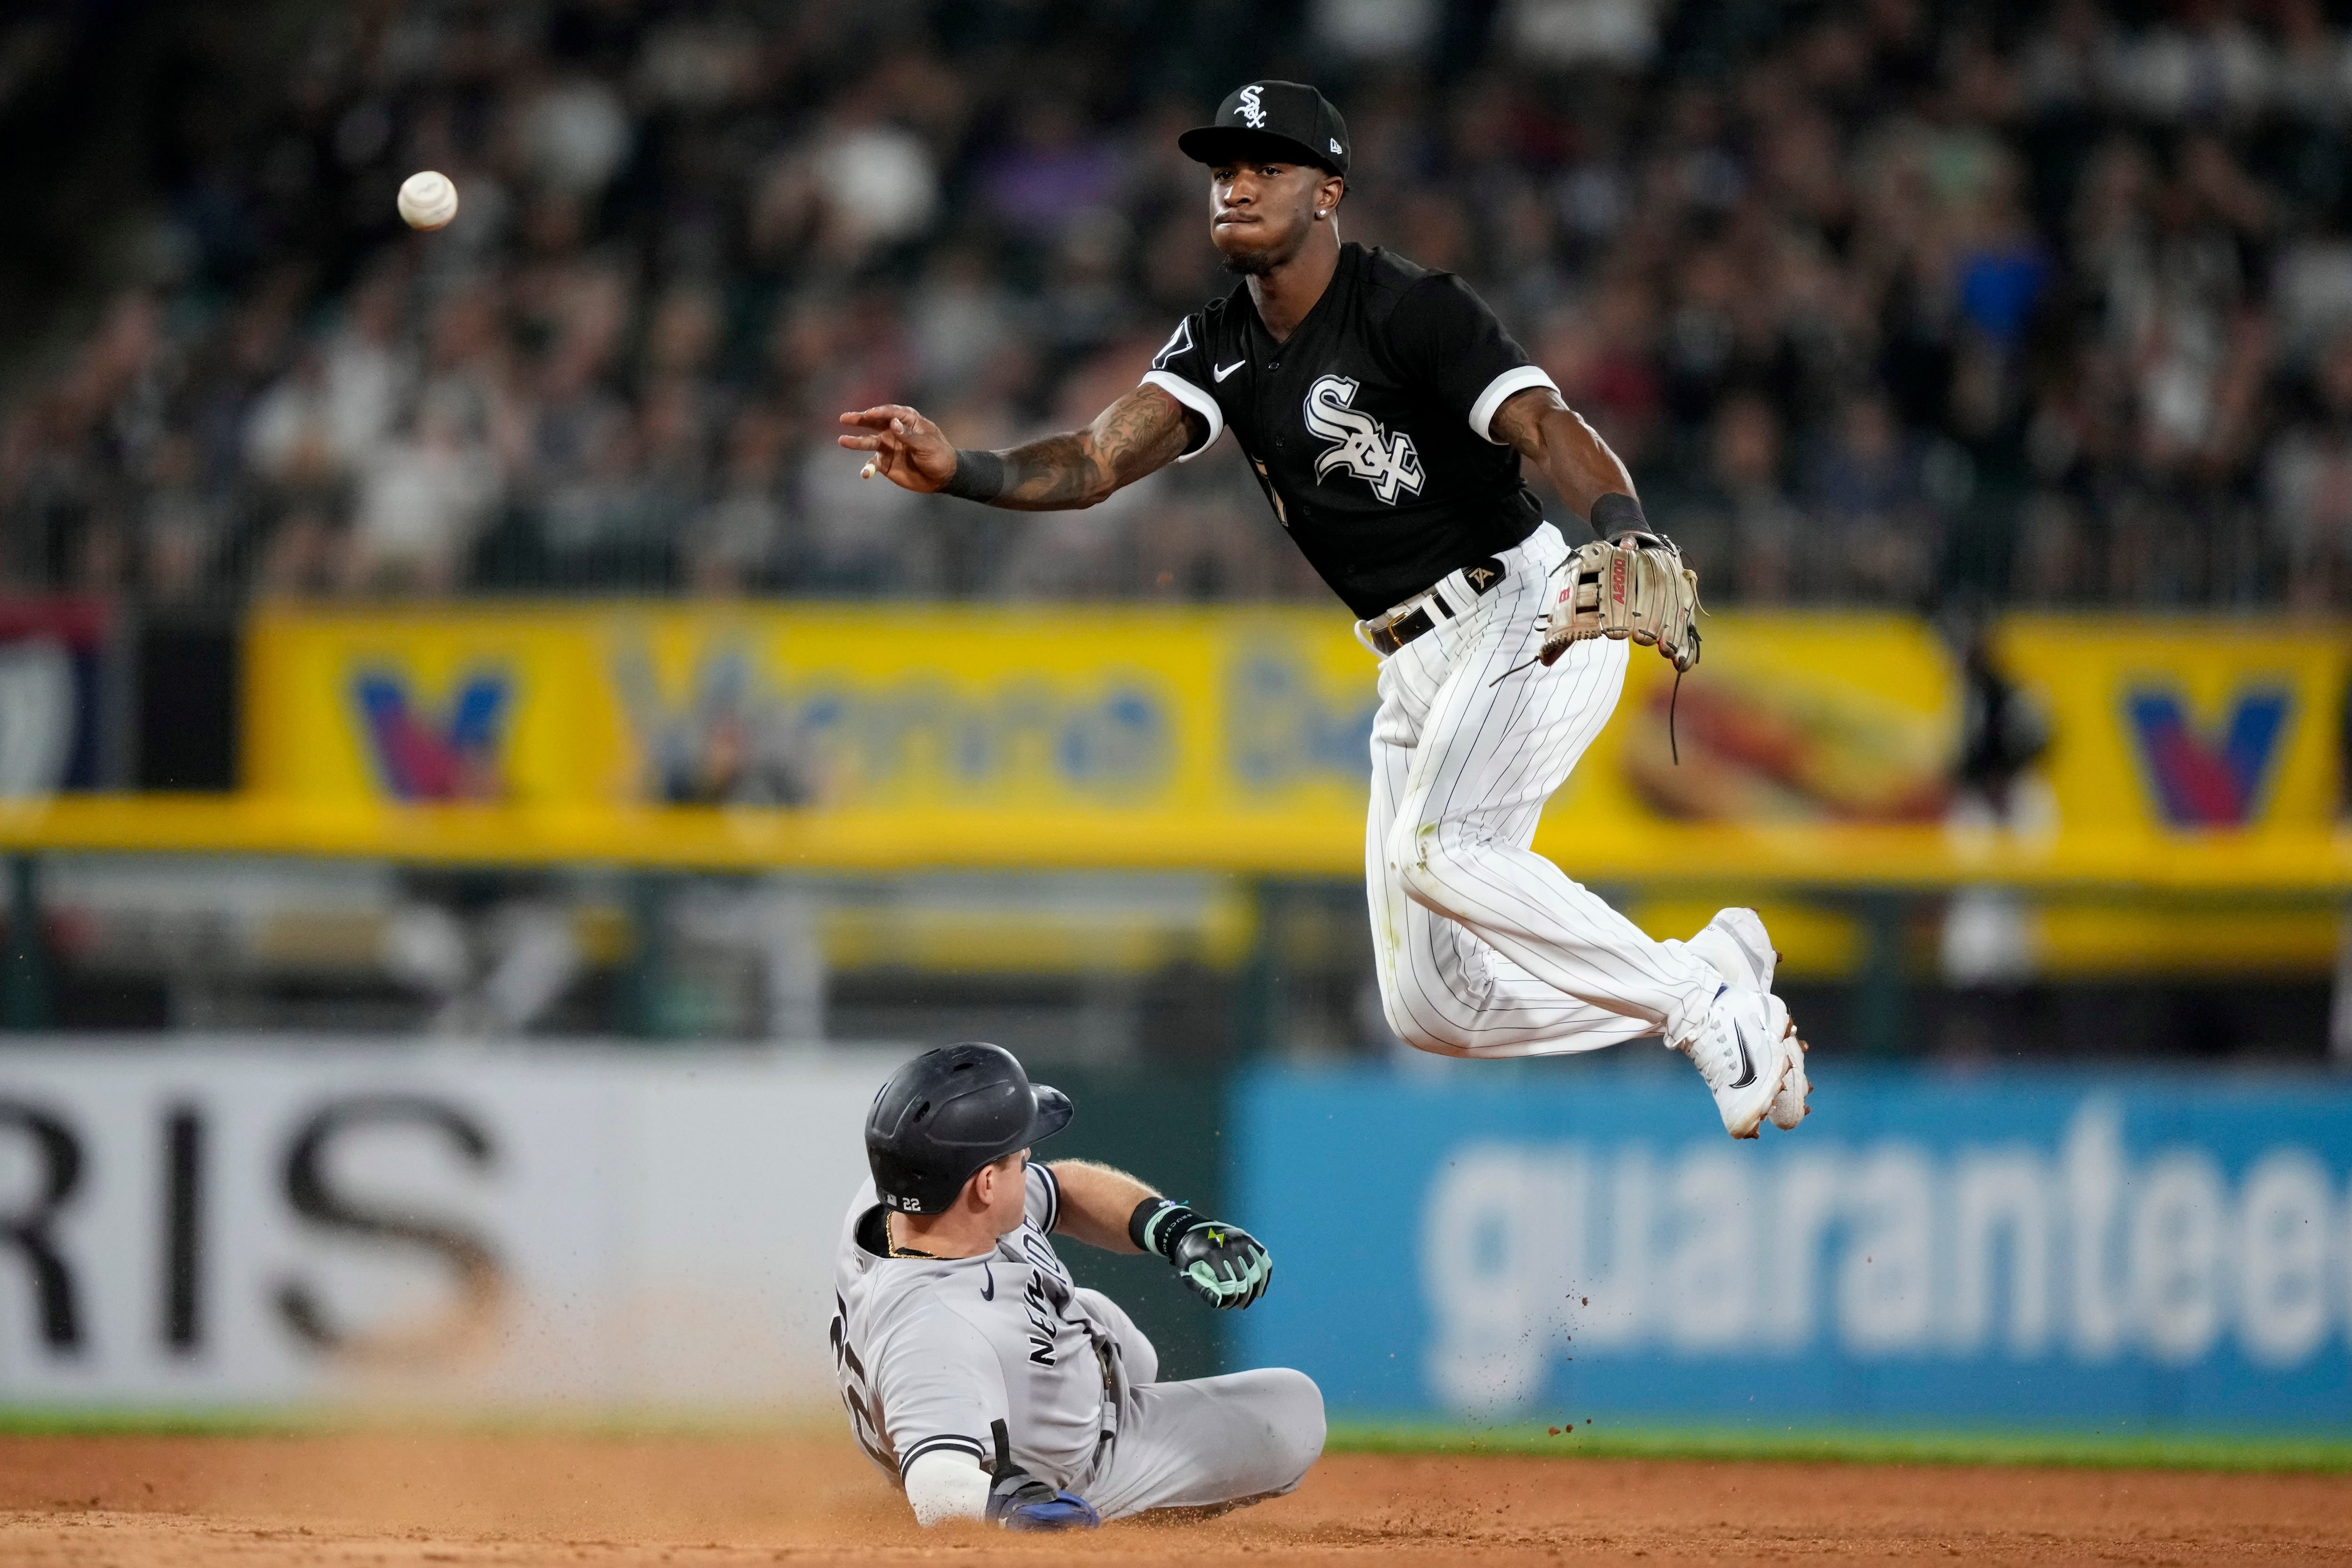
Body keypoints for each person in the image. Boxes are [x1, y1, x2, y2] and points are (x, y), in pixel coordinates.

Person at [839, 82, 1809, 1138]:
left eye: (1266, 166)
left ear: (1328, 190)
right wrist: (961, 469)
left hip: (1523, 610)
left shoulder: (1409, 306)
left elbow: (1543, 422)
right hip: (1413, 660)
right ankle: (1704, 974)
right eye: (1223, 169)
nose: (1237, 185)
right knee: (1435, 1009)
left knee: (1434, 853)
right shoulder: (1216, 343)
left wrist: (1623, 527)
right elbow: (1089, 461)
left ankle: (1702, 1005)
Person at [831, 1041, 1323, 1530]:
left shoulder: (923, 1201)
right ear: (984, 1184)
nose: (1029, 1160)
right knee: (1295, 1411)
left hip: (1031, 1384)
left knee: (1097, 1314)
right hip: (1072, 1469)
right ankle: (1123, 1506)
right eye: (1019, 1159)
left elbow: (1065, 1189)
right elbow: (936, 1486)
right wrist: (1013, 1508)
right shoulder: (933, 1332)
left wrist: (1175, 1229)